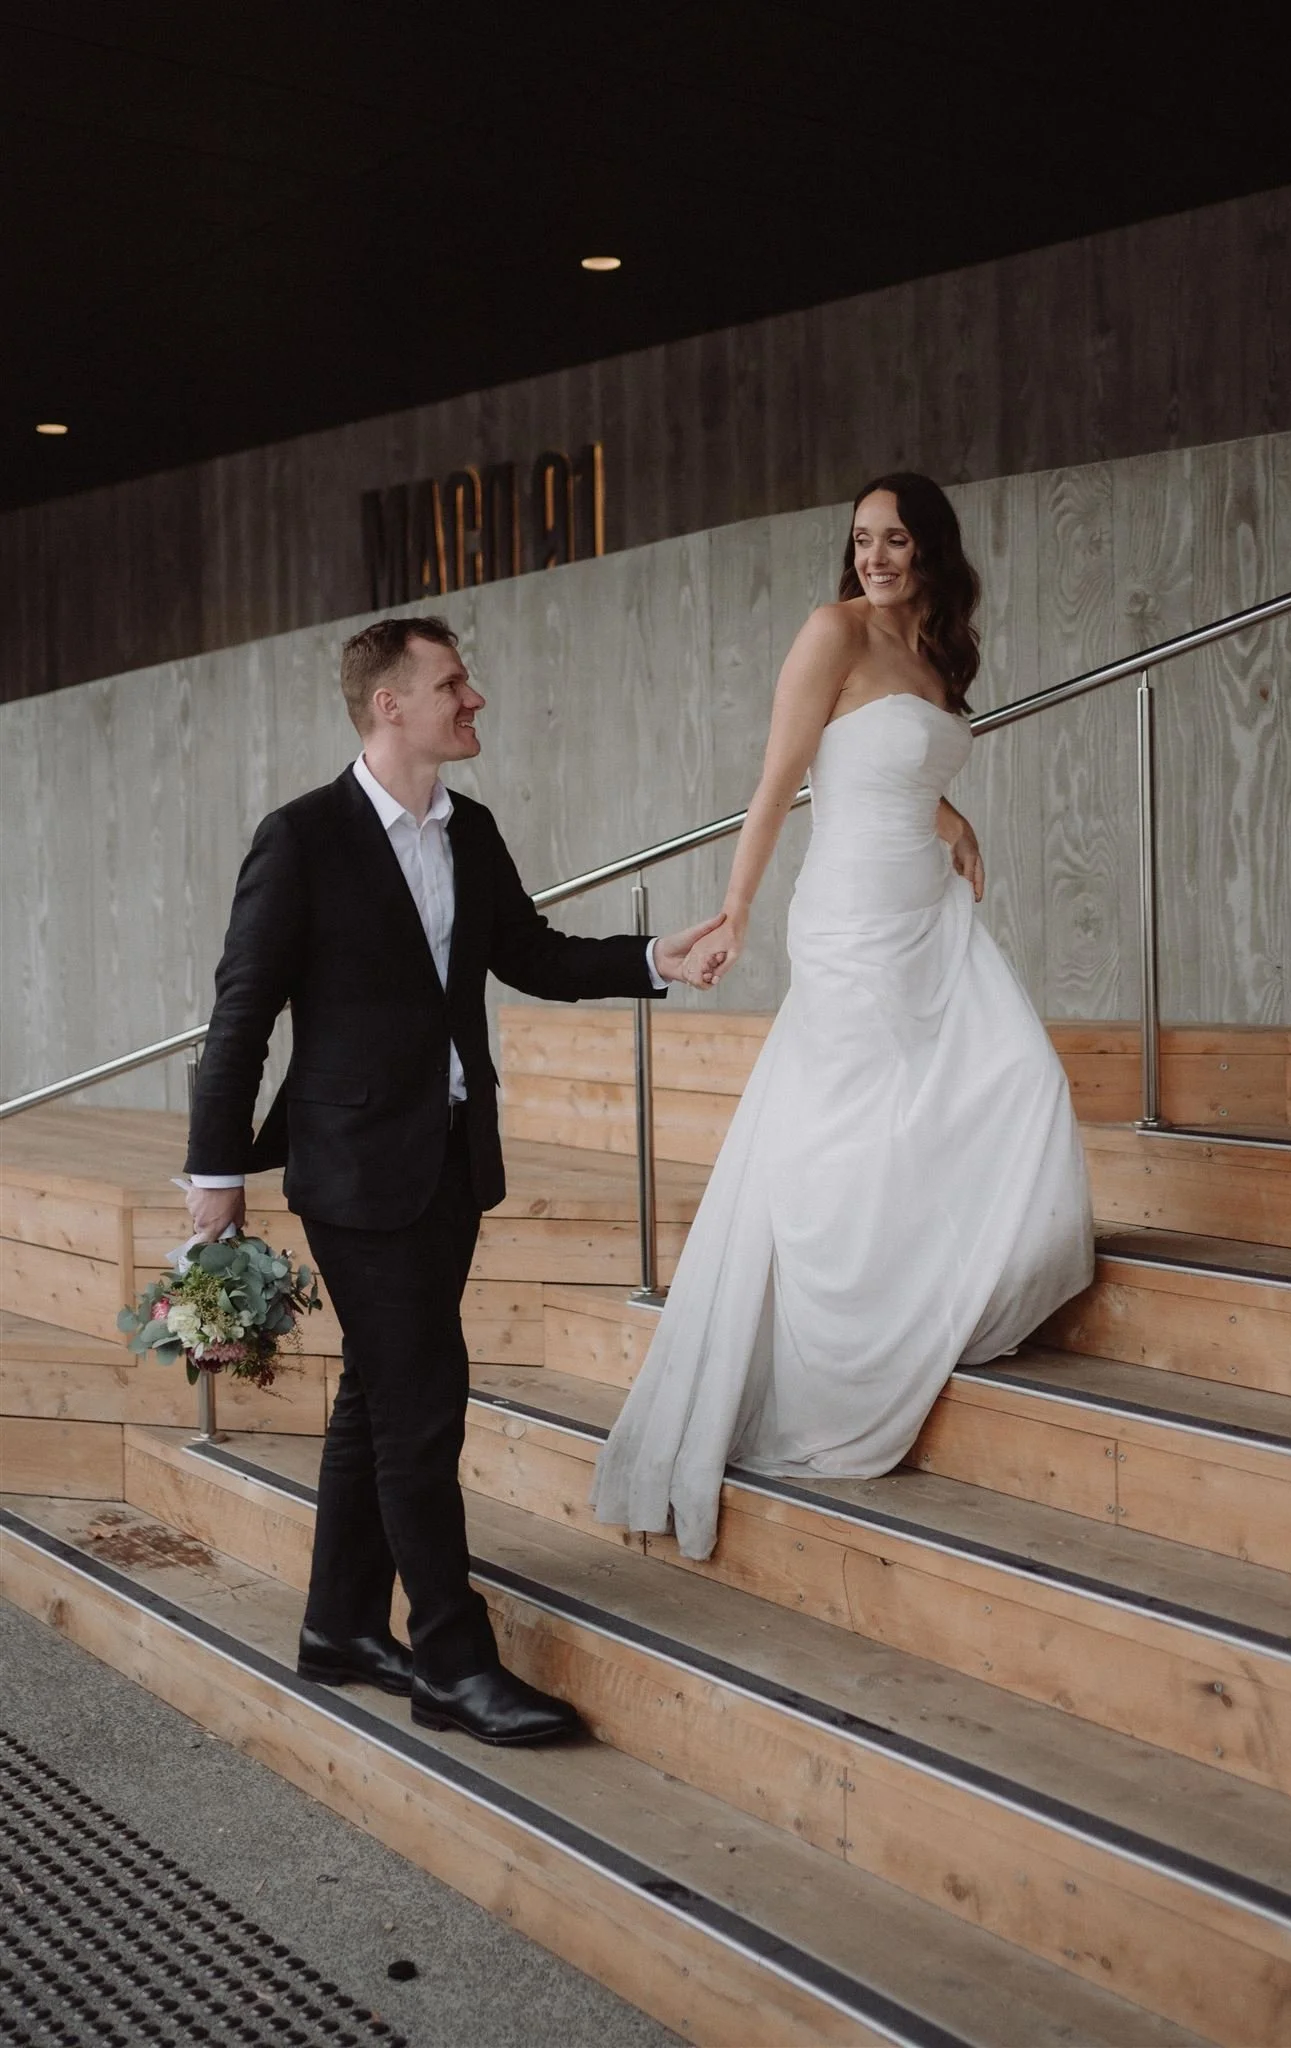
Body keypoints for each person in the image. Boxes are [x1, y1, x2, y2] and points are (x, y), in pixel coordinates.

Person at [183, 617, 719, 1744]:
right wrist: (215, 1176)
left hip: (448, 1160)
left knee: (379, 1395)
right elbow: (240, 1018)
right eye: (451, 683)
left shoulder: (467, 829)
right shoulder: (304, 838)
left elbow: (525, 951)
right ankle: (451, 1660)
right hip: (350, 1171)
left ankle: (337, 1626)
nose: (473, 699)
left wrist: (650, 958)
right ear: (389, 705)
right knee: (423, 1403)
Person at [592, 474, 1094, 1561]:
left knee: (1018, 1079)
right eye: (863, 539)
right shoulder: (835, 630)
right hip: (853, 917)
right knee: (854, 1131)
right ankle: (843, 1347)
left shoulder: (933, 650)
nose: (875, 556)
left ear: (931, 550)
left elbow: (891, 755)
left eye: (896, 538)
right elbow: (785, 776)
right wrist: (734, 910)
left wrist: (951, 816)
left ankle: (933, 1292)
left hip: (927, 902)